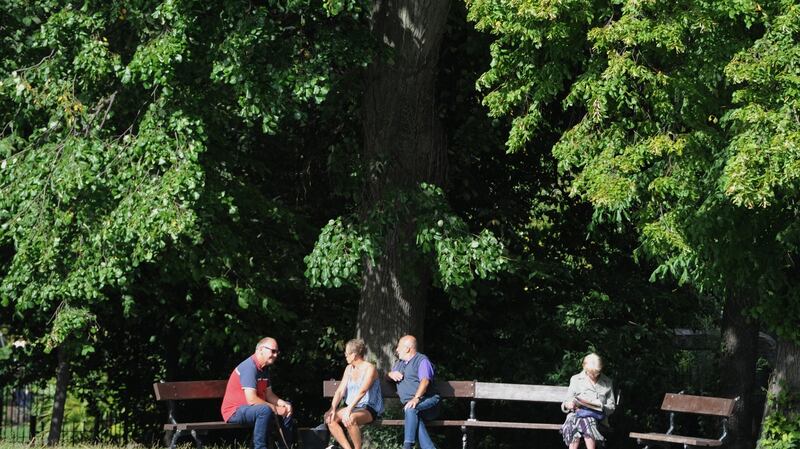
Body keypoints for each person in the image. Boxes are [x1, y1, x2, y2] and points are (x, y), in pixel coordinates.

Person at [221, 337, 296, 449]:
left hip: (253, 410)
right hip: (234, 411)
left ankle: (285, 447)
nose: (276, 355)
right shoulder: (250, 367)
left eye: (277, 352)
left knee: (287, 410)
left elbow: (269, 395)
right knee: (265, 410)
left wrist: (283, 404)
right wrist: (275, 409)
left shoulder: (264, 369)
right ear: (261, 349)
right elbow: (251, 399)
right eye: (273, 351)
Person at [324, 339, 384, 449]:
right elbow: (340, 390)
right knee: (330, 418)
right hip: (352, 408)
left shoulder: (370, 368)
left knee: (350, 418)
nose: (345, 356)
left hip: (368, 408)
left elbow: (363, 391)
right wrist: (332, 408)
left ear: (354, 355)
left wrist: (348, 409)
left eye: (347, 353)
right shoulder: (349, 368)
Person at [387, 335, 440, 449]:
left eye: (399, 347)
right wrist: (390, 374)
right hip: (412, 407)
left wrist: (416, 398)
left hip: (428, 401)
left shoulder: (422, 360)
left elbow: (425, 381)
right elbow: (387, 378)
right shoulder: (399, 364)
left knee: (411, 408)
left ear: (407, 348)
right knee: (413, 415)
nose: (396, 350)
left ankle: (407, 445)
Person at [560, 353, 616, 449]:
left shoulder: (607, 382)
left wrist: (601, 407)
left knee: (585, 419)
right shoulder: (576, 379)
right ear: (584, 367)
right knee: (577, 420)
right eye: (590, 373)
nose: (594, 375)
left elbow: (612, 406)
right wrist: (569, 404)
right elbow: (567, 401)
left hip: (599, 419)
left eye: (596, 373)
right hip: (577, 415)